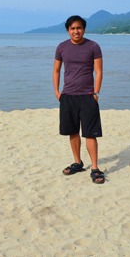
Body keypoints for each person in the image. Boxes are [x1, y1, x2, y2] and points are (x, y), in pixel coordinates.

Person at [53, 15, 105, 184]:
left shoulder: (93, 46)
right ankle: (78, 162)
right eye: (73, 28)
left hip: (87, 96)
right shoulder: (62, 47)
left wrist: (96, 93)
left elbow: (98, 71)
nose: (76, 31)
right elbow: (56, 70)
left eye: (79, 28)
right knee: (73, 132)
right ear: (68, 30)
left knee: (90, 133)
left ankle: (95, 168)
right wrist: (57, 91)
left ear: (84, 29)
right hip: (68, 96)